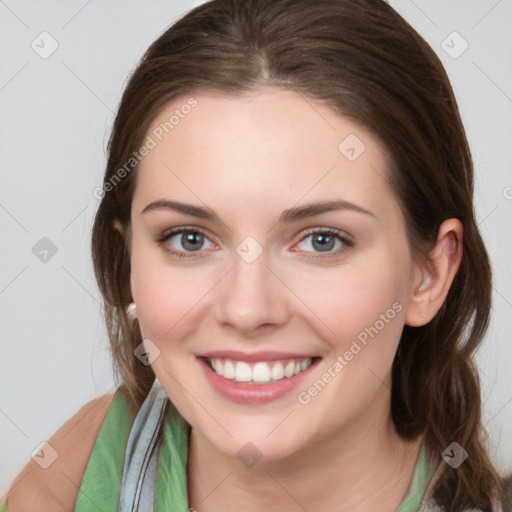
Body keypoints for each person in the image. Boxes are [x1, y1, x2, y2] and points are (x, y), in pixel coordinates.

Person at [3, 0, 511, 510]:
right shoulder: (72, 480)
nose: (246, 310)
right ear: (129, 259)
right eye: (189, 239)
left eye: (321, 240)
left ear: (429, 274)